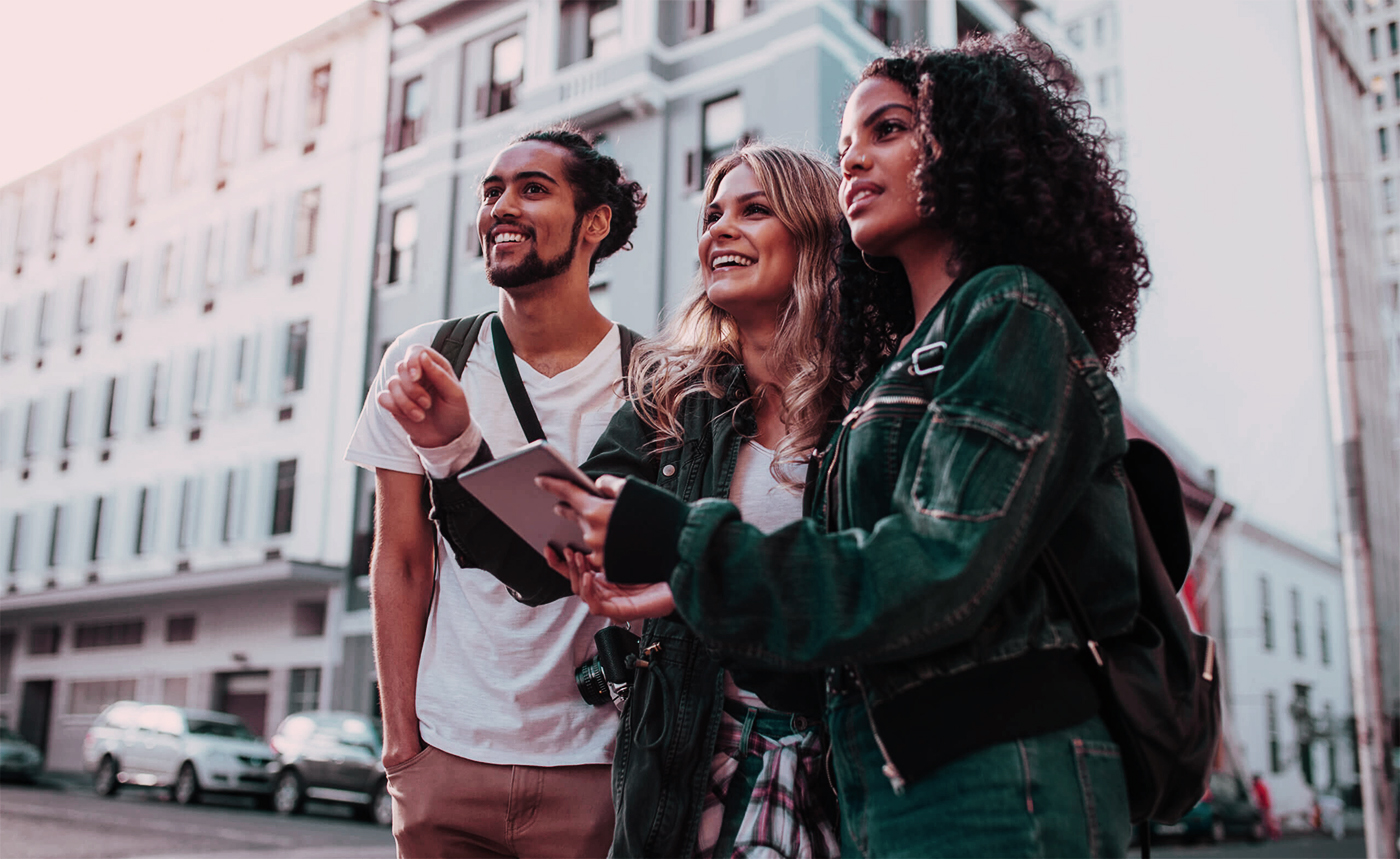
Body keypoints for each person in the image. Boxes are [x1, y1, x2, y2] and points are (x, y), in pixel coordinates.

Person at [542, 35, 1151, 858]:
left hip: (1003, 779)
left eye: (889, 129)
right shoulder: (895, 374)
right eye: (845, 147)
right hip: (889, 787)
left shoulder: (1012, 314)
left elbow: (931, 569)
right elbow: (848, 632)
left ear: (972, 147)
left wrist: (683, 546)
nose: (855, 160)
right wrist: (693, 597)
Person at [409, 145, 848, 858]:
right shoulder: (670, 398)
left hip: (841, 761)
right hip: (690, 766)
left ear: (816, 232)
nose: (719, 231)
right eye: (711, 215)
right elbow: (551, 555)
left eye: (753, 210)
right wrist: (457, 446)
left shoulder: (872, 404)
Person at [344, 125, 645, 858]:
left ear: (594, 223)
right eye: (491, 191)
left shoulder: (652, 378)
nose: (500, 208)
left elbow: (589, 564)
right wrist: (402, 745)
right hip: (446, 758)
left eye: (532, 189)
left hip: (592, 765)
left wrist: (459, 448)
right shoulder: (427, 358)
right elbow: (403, 561)